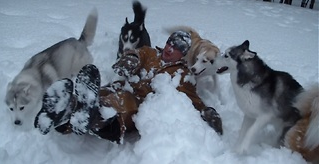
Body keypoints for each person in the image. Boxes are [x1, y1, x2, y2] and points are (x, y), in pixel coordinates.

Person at [35, 31, 223, 143]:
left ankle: (93, 114)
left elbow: (193, 99)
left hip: (136, 106)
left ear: (182, 54)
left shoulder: (183, 75)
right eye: (169, 43)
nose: (169, 48)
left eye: (176, 48)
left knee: (121, 101)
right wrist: (130, 59)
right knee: (103, 92)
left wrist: (207, 111)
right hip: (119, 88)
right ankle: (64, 115)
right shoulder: (150, 52)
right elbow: (137, 53)